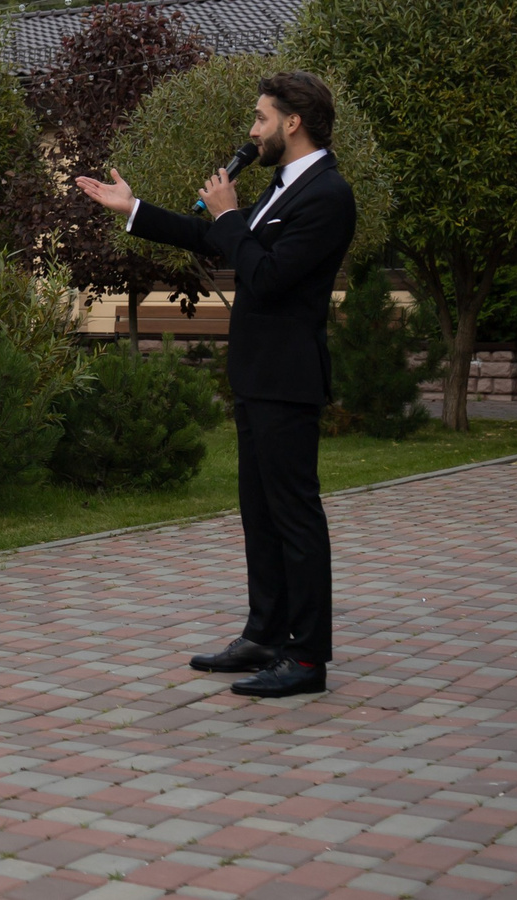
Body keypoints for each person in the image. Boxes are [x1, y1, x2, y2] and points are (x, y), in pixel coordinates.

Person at [73, 70, 356, 699]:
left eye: (260, 118)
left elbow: (266, 277)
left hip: (288, 378)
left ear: (293, 122)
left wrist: (230, 216)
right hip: (257, 376)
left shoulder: (327, 195)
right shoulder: (285, 188)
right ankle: (265, 633)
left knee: (294, 516)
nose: (252, 131)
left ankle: (306, 659)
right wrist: (135, 210)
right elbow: (214, 236)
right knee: (260, 513)